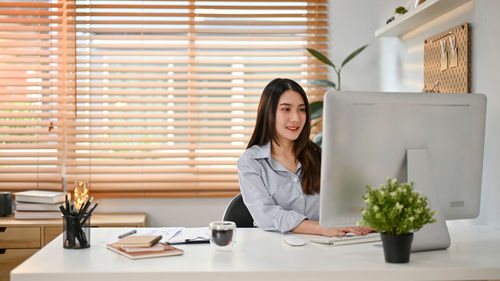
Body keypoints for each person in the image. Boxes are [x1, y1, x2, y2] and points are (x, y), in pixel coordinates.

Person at [237, 78, 372, 237]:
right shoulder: (251, 162)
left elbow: (346, 202)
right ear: (268, 113)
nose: (296, 118)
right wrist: (320, 228)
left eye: (301, 110)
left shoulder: (320, 156)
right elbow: (265, 215)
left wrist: (365, 221)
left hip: (323, 247)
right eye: (286, 109)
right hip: (273, 250)